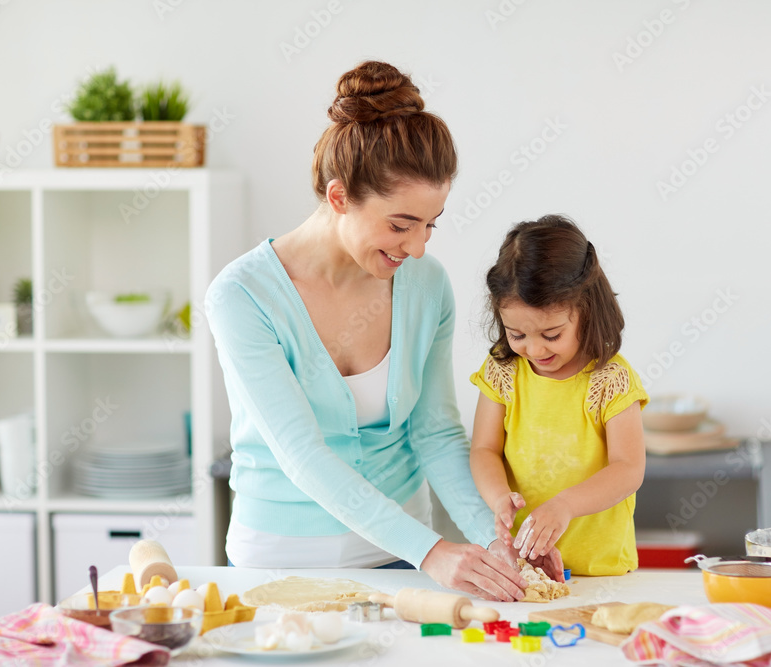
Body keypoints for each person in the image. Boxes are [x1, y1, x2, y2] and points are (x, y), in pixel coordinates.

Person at [206, 61, 557, 601]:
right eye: (400, 224)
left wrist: (497, 541)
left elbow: (436, 433)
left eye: (430, 224)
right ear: (340, 196)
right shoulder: (243, 296)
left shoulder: (425, 285)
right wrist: (433, 551)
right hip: (278, 565)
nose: (417, 247)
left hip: (401, 561)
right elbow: (303, 454)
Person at [469, 214, 649, 576]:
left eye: (551, 335)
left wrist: (565, 505)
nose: (534, 349)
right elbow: (483, 449)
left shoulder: (610, 378)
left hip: (599, 569)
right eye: (517, 334)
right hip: (525, 569)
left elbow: (628, 468)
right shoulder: (503, 370)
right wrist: (498, 497)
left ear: (587, 310)